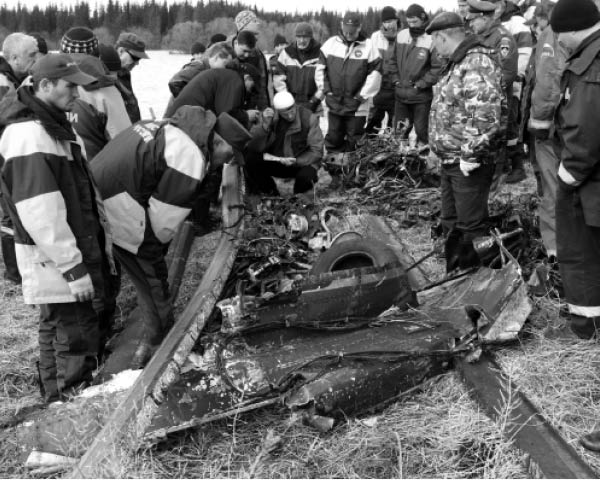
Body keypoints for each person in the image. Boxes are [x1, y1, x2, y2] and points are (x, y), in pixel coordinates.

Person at [90, 106, 251, 366]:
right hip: (117, 206)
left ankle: (98, 342)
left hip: (95, 196)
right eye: (229, 155)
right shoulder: (189, 157)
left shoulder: (172, 126)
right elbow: (162, 224)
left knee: (106, 277)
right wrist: (156, 254)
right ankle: (161, 348)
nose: (225, 162)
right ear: (218, 142)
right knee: (152, 278)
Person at [0, 53, 116, 402]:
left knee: (55, 328)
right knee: (76, 334)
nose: (77, 95)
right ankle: (71, 409)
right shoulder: (30, 136)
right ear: (46, 85)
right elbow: (41, 211)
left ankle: (54, 403)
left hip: (58, 256)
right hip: (56, 259)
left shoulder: (50, 127)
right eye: (70, 87)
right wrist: (73, 267)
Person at [426, 11, 507, 271]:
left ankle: (477, 277)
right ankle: (455, 273)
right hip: (451, 159)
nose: (433, 47)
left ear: (442, 37)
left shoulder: (476, 62)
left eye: (434, 41)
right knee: (450, 220)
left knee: (471, 224)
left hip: (468, 161)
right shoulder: (457, 62)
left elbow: (485, 114)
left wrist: (470, 154)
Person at [546, 0, 600, 340]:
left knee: (580, 253)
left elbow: (586, 129)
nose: (558, 41)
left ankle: (585, 327)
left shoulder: (591, 65)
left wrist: (568, 176)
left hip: (588, 180)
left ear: (573, 29)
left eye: (560, 34)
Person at [0, 33, 39, 285]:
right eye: (31, 55)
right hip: (4, 156)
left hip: (7, 152)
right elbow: (6, 119)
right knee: (9, 214)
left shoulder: (13, 78)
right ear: (14, 58)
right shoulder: (3, 83)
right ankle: (15, 273)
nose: (37, 59)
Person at [316, 12, 381, 158]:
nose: (349, 35)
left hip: (357, 106)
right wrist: (327, 91)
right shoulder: (330, 44)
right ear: (341, 25)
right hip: (335, 103)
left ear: (359, 27)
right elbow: (320, 70)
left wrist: (360, 97)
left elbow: (376, 75)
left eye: (352, 32)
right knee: (334, 137)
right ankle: (334, 166)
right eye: (346, 31)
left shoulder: (369, 46)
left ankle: (353, 168)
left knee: (355, 140)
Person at [466, 0, 518, 185]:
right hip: (477, 102)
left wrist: (485, 92)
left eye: (473, 20)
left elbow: (508, 73)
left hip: (495, 102)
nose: (470, 24)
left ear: (484, 18)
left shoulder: (502, 39)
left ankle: (494, 180)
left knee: (496, 141)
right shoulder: (477, 37)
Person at [527, 2, 564, 261]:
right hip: (579, 124)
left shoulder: (554, 34)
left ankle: (555, 252)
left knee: (553, 188)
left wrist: (539, 124)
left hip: (554, 127)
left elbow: (547, 81)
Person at [60, 27, 132, 159]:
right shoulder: (106, 91)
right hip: (92, 168)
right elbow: (125, 144)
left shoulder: (40, 84)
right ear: (97, 56)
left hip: (50, 169)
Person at [245, 91, 324, 196]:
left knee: (307, 176)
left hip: (300, 163)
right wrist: (265, 127)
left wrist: (296, 161)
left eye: (292, 109)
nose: (290, 115)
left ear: (295, 104)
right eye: (285, 112)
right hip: (277, 161)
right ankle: (271, 194)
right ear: (278, 111)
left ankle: (298, 198)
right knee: (250, 159)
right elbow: (253, 146)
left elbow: (317, 151)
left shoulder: (309, 118)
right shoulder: (269, 117)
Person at [389, 3, 442, 145]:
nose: (412, 25)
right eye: (409, 22)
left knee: (422, 131)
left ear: (423, 18)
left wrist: (420, 85)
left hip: (420, 96)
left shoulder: (431, 38)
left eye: (415, 21)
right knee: (400, 132)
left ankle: (424, 155)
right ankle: (400, 156)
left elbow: (437, 68)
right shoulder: (401, 35)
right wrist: (395, 80)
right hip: (401, 94)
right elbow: (392, 61)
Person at [164, 43, 249, 124]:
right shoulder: (199, 66)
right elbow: (174, 83)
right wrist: (193, 100)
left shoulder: (213, 73)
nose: (227, 69)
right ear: (216, 58)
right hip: (176, 114)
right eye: (225, 65)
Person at [501, 1, 534, 183]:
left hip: (511, 83)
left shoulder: (517, 22)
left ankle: (517, 165)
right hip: (493, 85)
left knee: (511, 123)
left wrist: (514, 77)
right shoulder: (493, 22)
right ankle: (503, 163)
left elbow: (524, 54)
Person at [273, 22, 322, 111]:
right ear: (295, 37)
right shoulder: (286, 53)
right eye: (299, 37)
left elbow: (324, 82)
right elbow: (278, 79)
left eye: (305, 37)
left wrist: (314, 101)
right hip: (291, 104)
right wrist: (287, 100)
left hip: (315, 104)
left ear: (311, 37)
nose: (301, 40)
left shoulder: (320, 53)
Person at [365, 7, 399, 135]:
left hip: (395, 88)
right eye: (385, 22)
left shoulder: (402, 37)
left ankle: (391, 143)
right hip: (378, 88)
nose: (388, 24)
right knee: (373, 123)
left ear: (396, 20)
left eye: (391, 21)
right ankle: (370, 142)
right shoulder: (375, 37)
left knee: (394, 125)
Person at [233, 10, 270, 109]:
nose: (256, 38)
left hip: (251, 106)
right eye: (252, 33)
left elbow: (262, 86)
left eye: (256, 34)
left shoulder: (257, 54)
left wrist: (264, 108)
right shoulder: (226, 49)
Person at [115, 32, 149, 123]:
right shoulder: (104, 74)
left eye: (139, 59)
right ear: (121, 51)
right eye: (135, 58)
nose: (137, 63)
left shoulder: (125, 73)